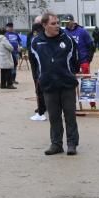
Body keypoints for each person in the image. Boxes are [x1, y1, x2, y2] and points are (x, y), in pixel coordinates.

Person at [29, 12, 79, 155]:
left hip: (67, 84)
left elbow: (75, 60)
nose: (57, 26)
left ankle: (72, 144)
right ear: (44, 25)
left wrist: (69, 73)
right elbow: (34, 62)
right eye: (53, 23)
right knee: (54, 116)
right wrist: (40, 78)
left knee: (70, 115)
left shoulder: (68, 39)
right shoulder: (36, 42)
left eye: (58, 23)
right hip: (48, 85)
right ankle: (56, 144)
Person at [28, 15, 47, 121]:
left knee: (40, 89)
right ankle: (43, 108)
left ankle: (41, 112)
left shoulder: (40, 36)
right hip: (37, 66)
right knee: (40, 89)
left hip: (40, 67)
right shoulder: (32, 35)